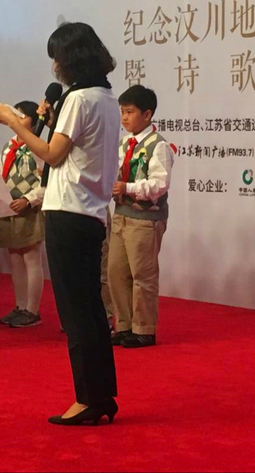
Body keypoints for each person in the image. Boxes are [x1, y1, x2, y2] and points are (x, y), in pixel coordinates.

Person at [0, 22, 119, 426]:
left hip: (68, 209)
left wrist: (15, 123)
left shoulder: (78, 99)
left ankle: (87, 399)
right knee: (91, 308)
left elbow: (51, 154)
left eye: (57, 58)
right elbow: (72, 149)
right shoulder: (106, 97)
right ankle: (102, 394)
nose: (54, 67)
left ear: (71, 59)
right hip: (91, 210)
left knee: (75, 312)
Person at [108, 85, 173, 349]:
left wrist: (127, 187)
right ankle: (123, 325)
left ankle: (144, 328)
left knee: (142, 275)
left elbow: (160, 184)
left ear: (147, 114)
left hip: (145, 218)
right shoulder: (123, 143)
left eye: (130, 112)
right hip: (120, 215)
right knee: (116, 272)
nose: (124, 118)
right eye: (122, 112)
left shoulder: (159, 145)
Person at [0, 101, 45, 329]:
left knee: (31, 257)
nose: (17, 119)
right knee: (15, 258)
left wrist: (28, 200)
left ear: (34, 121)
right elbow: (1, 175)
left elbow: (46, 182)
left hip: (29, 208)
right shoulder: (9, 147)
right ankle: (20, 305)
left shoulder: (38, 146)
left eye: (22, 116)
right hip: (8, 208)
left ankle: (32, 310)